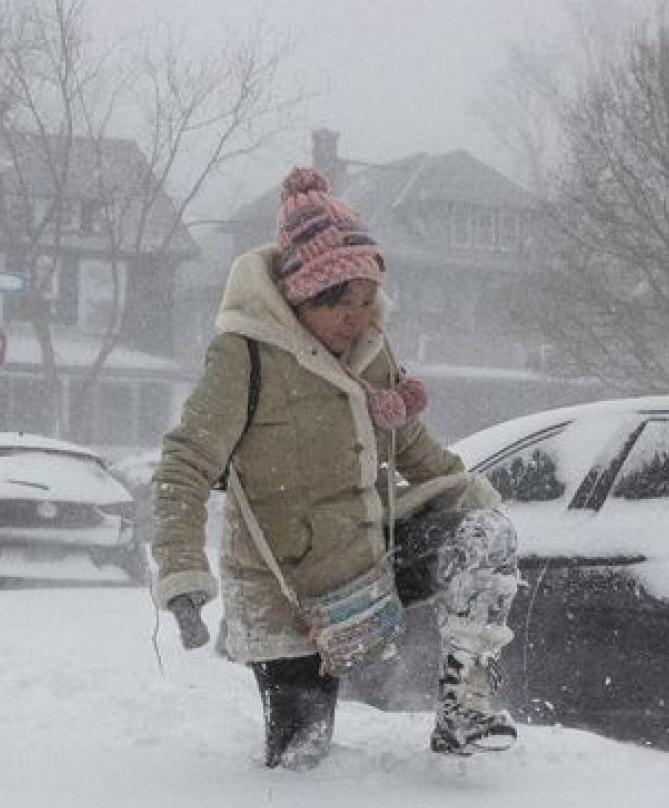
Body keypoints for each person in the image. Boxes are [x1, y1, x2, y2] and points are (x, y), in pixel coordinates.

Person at [151, 167, 521, 770]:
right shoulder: (245, 355)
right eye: (338, 301)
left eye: (365, 298)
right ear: (301, 295)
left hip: (371, 559)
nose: (357, 316)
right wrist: (183, 574)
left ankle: (466, 706)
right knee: (302, 761)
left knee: (483, 533)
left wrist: (490, 505)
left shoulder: (371, 356)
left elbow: (419, 452)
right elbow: (184, 464)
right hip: (287, 591)